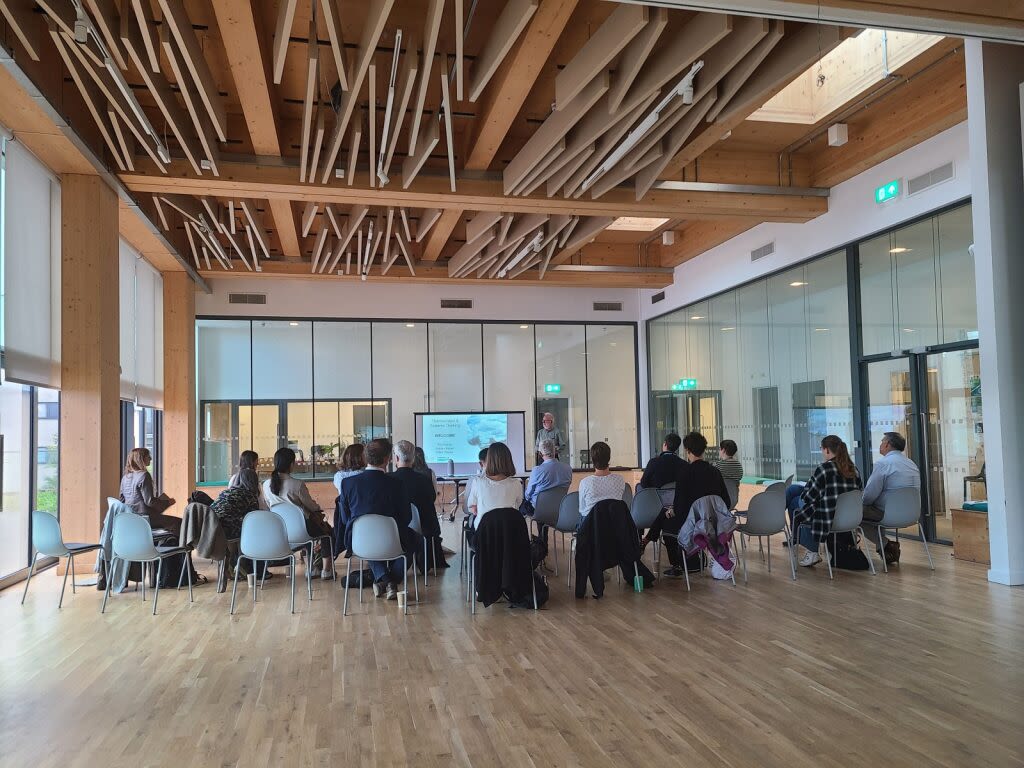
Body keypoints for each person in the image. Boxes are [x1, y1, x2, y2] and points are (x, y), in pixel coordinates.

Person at [640, 432, 731, 579]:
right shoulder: (715, 472)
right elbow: (726, 502)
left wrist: (673, 511)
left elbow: (680, 508)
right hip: (713, 523)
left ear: (687, 451)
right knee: (666, 514)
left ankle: (676, 564)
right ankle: (648, 540)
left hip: (692, 523)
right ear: (703, 450)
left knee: (666, 518)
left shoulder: (685, 473)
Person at [339, 438, 414, 600]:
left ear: (365, 458)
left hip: (359, 542)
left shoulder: (347, 484)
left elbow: (345, 519)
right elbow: (406, 517)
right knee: (414, 540)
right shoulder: (397, 484)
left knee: (369, 542)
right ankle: (390, 581)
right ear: (388, 459)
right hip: (392, 540)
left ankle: (385, 581)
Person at [788, 435, 863, 567]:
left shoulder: (824, 469)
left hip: (828, 519)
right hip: (850, 519)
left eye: (821, 449)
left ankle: (810, 550)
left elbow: (809, 497)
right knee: (794, 490)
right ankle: (796, 539)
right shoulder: (854, 470)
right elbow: (859, 491)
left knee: (796, 503)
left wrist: (807, 490)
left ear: (827, 450)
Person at [263, 447, 334, 578]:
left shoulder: (266, 484)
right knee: (327, 533)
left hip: (280, 529)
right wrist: (318, 508)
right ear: (291, 464)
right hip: (302, 528)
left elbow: (268, 505)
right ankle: (326, 570)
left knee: (308, 536)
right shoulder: (297, 484)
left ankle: (311, 568)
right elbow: (311, 506)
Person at [861, 431, 920, 565]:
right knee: (873, 510)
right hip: (912, 514)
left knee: (854, 513)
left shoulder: (883, 464)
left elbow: (869, 495)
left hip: (888, 514)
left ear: (887, 444)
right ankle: (885, 550)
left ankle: (886, 545)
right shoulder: (911, 464)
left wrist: (861, 503)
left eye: (882, 441)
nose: (880, 444)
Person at [393, 440, 447, 569]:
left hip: (396, 532)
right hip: (425, 528)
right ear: (413, 458)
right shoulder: (424, 479)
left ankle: (391, 576)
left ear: (396, 458)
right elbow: (432, 499)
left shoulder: (389, 479)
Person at [522, 438, 572, 543]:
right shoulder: (568, 469)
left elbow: (528, 494)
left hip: (539, 510)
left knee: (522, 504)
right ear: (555, 451)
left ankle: (527, 543)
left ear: (540, 454)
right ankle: (542, 541)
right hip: (560, 509)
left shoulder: (537, 470)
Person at [119, 447, 179, 535]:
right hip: (145, 518)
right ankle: (171, 546)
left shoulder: (125, 477)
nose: (151, 458)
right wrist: (167, 502)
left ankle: (162, 543)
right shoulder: (144, 475)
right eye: (148, 456)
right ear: (141, 459)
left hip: (131, 518)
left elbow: (122, 500)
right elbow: (149, 502)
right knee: (178, 523)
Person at [466, 442, 523, 533]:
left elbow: (473, 509)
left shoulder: (478, 482)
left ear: (489, 460)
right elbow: (517, 506)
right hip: (509, 534)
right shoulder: (517, 484)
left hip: (484, 534)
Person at [577, 441, 626, 519]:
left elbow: (582, 510)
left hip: (592, 527)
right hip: (615, 525)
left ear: (592, 460)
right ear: (609, 458)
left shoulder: (585, 483)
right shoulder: (620, 480)